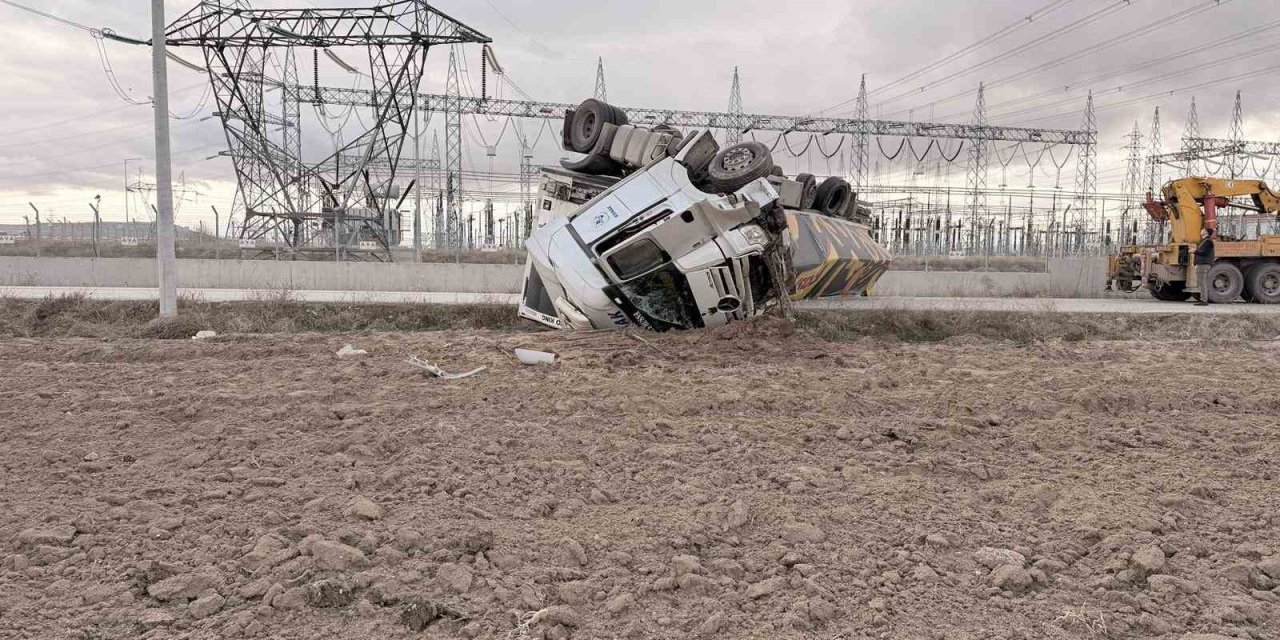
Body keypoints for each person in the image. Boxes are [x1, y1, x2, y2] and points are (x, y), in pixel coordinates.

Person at [1194, 227, 1215, 306]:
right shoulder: (1205, 241)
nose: (1201, 230)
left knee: (1202, 282)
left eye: (1203, 230)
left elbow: (1204, 252)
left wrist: (1194, 251)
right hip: (1202, 264)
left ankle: (1204, 300)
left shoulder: (1208, 241)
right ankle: (1203, 299)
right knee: (1202, 282)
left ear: (1205, 232)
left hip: (1203, 264)